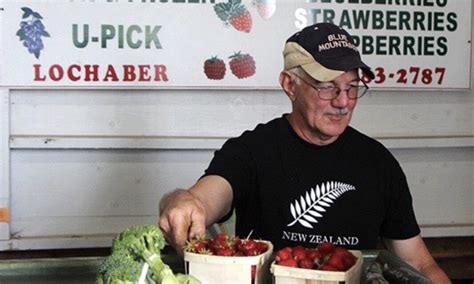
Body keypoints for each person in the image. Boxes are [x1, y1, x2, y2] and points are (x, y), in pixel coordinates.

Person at [159, 23, 450, 283]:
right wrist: (182, 201)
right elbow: (205, 198)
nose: (343, 102)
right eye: (328, 87)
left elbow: (417, 262)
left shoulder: (378, 163)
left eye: (352, 87)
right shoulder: (252, 151)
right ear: (290, 85)